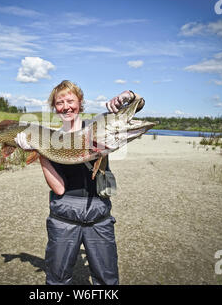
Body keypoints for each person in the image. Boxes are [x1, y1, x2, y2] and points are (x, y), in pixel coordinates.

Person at [14, 80, 144, 285]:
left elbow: (136, 106)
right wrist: (39, 152)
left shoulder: (99, 126)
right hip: (64, 220)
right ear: (54, 108)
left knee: (107, 280)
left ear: (80, 103)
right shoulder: (52, 139)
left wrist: (128, 96)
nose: (66, 106)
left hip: (99, 219)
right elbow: (59, 188)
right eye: (59, 103)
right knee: (57, 280)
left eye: (70, 100)